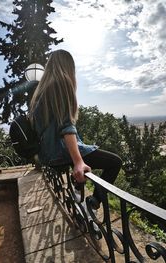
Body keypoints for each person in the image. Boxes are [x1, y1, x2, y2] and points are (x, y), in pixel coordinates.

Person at [28, 49, 122, 209]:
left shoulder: (41, 91)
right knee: (115, 162)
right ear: (68, 66)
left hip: (47, 155)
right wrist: (78, 162)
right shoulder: (61, 83)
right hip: (59, 152)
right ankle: (92, 203)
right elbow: (66, 126)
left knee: (83, 150)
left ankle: (77, 190)